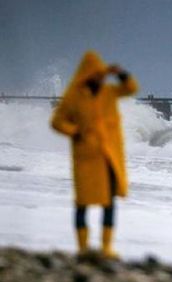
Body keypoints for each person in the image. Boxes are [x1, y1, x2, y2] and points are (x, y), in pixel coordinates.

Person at [51, 50, 138, 260]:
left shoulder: (108, 92)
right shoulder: (73, 97)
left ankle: (106, 247)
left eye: (101, 74)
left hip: (108, 155)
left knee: (109, 202)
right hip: (85, 157)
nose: (99, 78)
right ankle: (82, 248)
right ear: (86, 75)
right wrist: (75, 132)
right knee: (82, 203)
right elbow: (57, 121)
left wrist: (121, 74)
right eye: (96, 74)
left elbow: (131, 89)